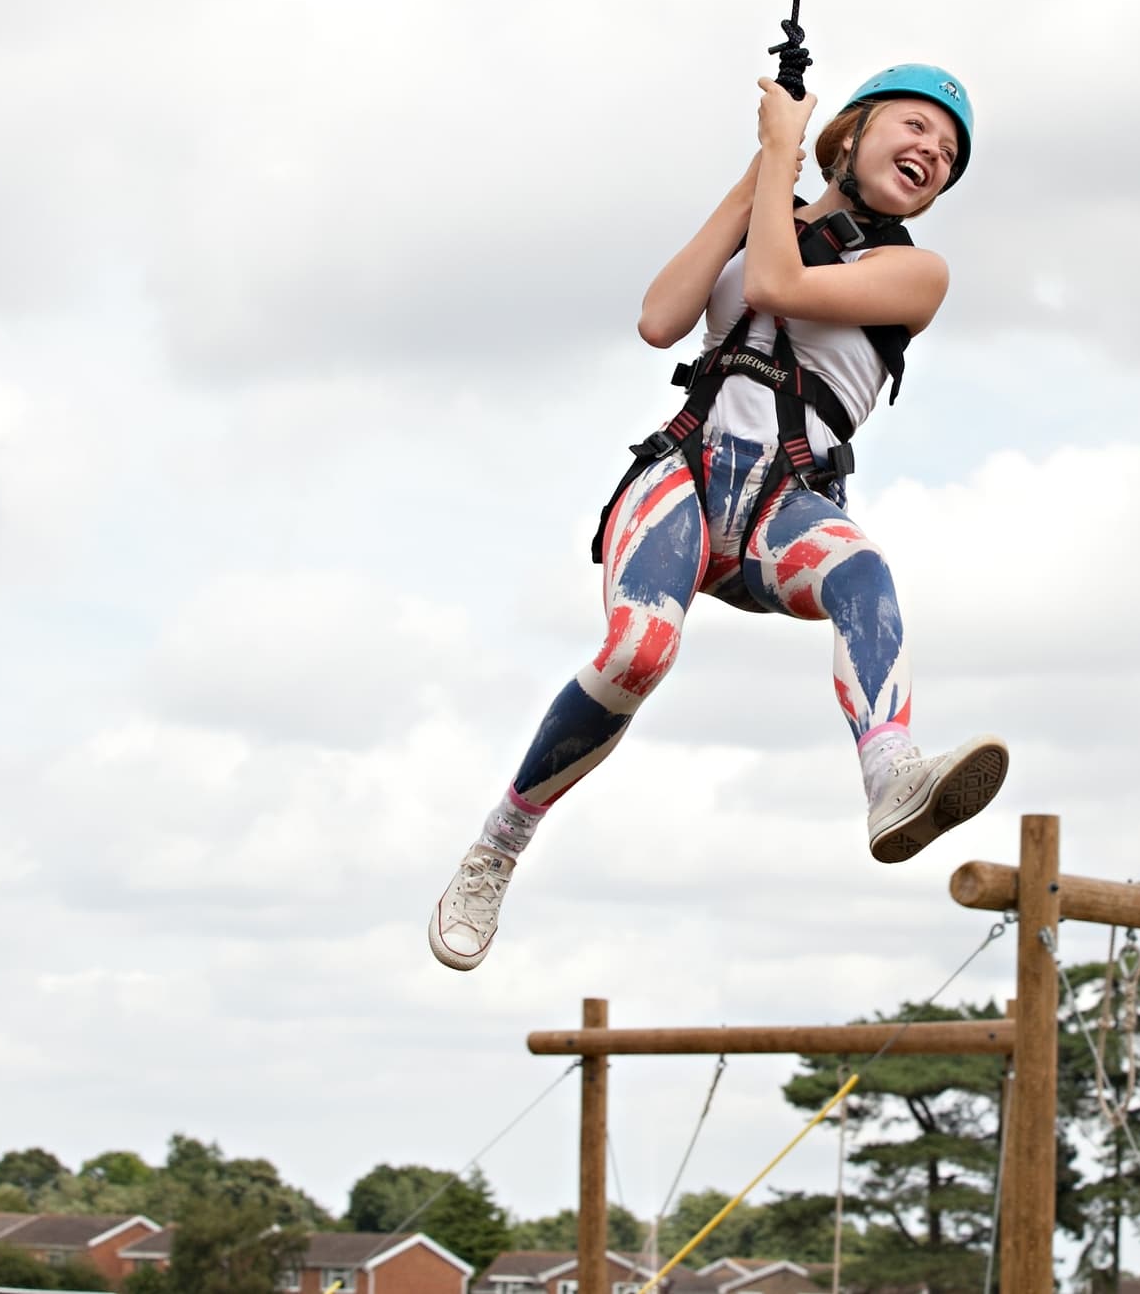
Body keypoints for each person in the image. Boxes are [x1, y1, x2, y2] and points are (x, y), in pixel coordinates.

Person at [427, 65, 1010, 971]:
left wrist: (784, 157)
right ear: (851, 136)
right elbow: (661, 318)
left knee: (863, 571)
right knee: (639, 653)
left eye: (949, 153)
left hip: (788, 500)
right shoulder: (766, 206)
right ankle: (499, 844)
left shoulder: (914, 271)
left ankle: (893, 775)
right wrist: (767, 165)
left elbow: (777, 284)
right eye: (916, 127)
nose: (934, 151)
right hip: (687, 478)